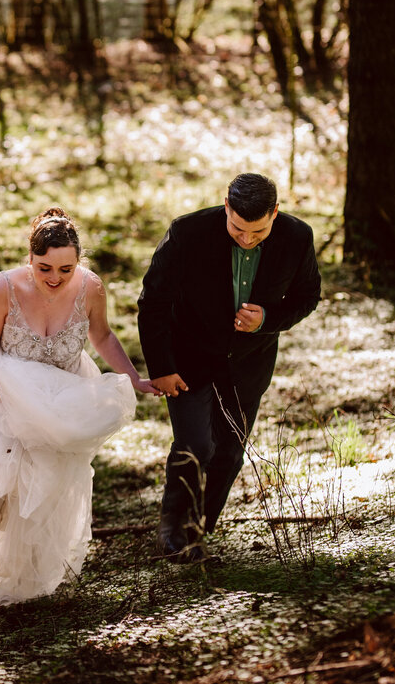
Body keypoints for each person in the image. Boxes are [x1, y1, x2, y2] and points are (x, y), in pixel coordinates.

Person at [0, 208, 160, 627]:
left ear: (79, 262)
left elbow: (102, 336)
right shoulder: (3, 288)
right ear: (29, 258)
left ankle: (23, 577)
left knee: (39, 493)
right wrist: (13, 407)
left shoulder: (91, 288)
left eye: (66, 268)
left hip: (60, 408)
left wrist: (132, 378)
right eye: (44, 268)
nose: (54, 277)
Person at [138, 173, 321, 563]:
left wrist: (268, 318)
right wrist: (161, 367)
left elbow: (308, 296)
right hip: (187, 360)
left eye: (257, 231)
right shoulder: (187, 233)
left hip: (248, 366)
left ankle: (198, 530)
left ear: (275, 213)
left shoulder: (297, 237)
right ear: (226, 207)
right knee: (194, 445)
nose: (246, 238)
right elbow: (152, 302)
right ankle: (174, 533)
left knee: (228, 453)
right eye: (238, 228)